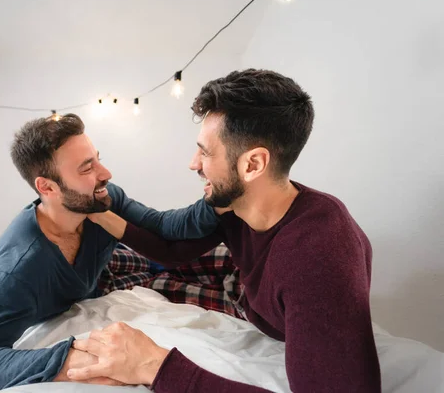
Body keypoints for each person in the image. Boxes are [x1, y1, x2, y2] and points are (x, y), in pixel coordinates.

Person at [68, 69, 382, 392]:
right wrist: (103, 217)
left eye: (205, 152)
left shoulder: (317, 254)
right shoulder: (233, 204)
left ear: (252, 165)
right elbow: (171, 250)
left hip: (253, 302)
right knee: (143, 271)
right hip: (246, 293)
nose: (194, 164)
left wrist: (153, 365)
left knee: (157, 281)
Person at [0, 114, 219, 393]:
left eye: (98, 158)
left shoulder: (104, 199)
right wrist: (70, 359)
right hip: (91, 283)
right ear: (47, 187)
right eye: (86, 168)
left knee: (212, 260)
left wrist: (221, 197)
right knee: (181, 282)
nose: (105, 174)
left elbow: (163, 226)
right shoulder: (20, 269)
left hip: (104, 272)